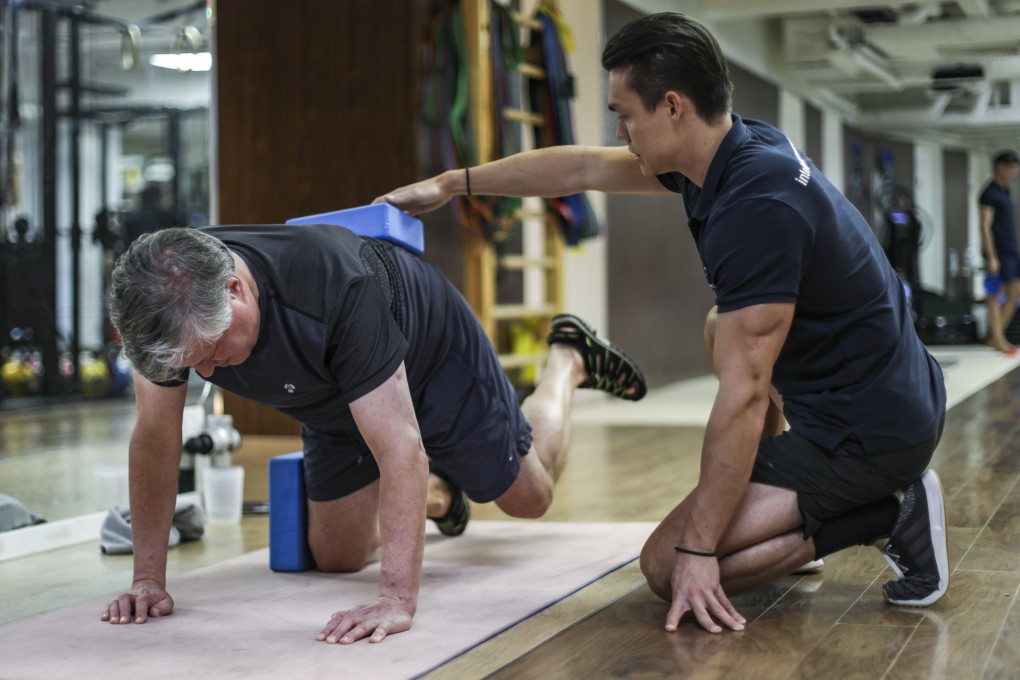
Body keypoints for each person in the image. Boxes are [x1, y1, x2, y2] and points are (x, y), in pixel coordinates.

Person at [377, 12, 948, 636]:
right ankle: (799, 506)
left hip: (871, 432)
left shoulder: (758, 206)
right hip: (880, 391)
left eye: (625, 116)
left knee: (668, 568)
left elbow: (745, 395)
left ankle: (887, 514)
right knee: (721, 326)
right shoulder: (731, 149)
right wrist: (451, 184)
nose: (620, 134)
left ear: (673, 106)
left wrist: (700, 549)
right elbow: (581, 168)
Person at [103, 224, 646, 645]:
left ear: (235, 290)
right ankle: (440, 493)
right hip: (330, 397)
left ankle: (568, 360)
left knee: (529, 497)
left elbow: (399, 446)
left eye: (213, 351)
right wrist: (147, 579)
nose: (206, 372)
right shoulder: (162, 306)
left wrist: (396, 599)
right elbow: (155, 440)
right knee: (337, 554)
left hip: (431, 359)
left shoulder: (334, 289)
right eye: (192, 363)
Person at [978, 149, 1020, 355]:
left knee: (1015, 291)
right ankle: (998, 339)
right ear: (1000, 167)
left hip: (1011, 250)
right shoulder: (989, 193)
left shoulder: (1006, 191)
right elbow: (985, 226)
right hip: (999, 251)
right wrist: (992, 256)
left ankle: (995, 335)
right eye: (1011, 168)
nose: (1015, 172)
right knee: (995, 295)